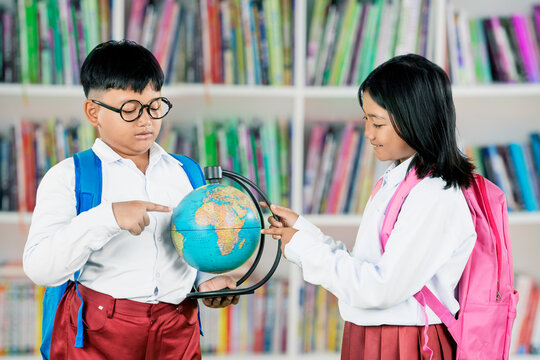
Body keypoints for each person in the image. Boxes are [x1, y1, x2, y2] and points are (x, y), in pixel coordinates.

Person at [23, 40, 238, 360]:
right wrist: (107, 217)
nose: (146, 120)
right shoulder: (69, 176)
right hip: (99, 336)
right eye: (129, 109)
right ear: (93, 112)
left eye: (154, 106)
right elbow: (40, 268)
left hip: (177, 331)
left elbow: (193, 247)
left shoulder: (186, 172)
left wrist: (210, 281)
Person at [262, 54, 477, 359]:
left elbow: (379, 288)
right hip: (376, 335)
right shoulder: (400, 180)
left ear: (416, 120)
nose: (368, 134)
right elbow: (366, 265)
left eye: (377, 123)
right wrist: (303, 233)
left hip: (406, 343)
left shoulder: (434, 196)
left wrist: (302, 247)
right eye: (366, 120)